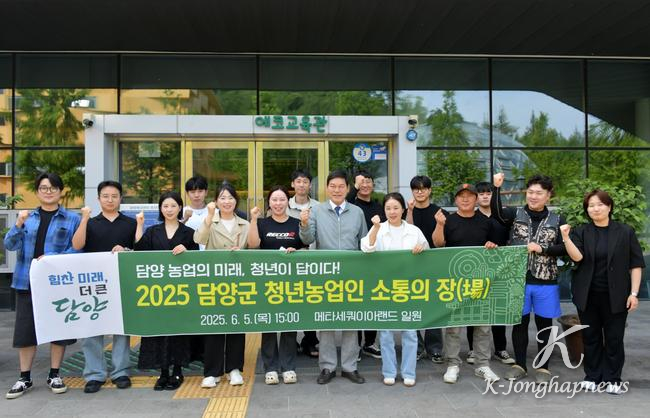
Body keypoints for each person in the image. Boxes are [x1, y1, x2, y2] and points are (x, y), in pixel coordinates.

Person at [4, 172, 80, 399]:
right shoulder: (27, 217)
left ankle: (54, 374)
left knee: (59, 329)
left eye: (53, 188)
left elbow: (77, 249)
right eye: (44, 188)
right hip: (26, 282)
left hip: (57, 284)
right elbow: (9, 244)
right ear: (37, 191)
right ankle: (24, 377)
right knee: (26, 331)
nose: (49, 192)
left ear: (60, 191)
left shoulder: (72, 219)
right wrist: (18, 224)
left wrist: (53, 259)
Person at [562, 189, 644, 395]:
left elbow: (636, 264)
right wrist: (566, 238)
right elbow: (577, 257)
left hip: (617, 295)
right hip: (588, 295)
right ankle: (592, 376)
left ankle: (613, 378)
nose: (595, 209)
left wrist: (634, 294)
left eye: (600, 204)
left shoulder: (625, 232)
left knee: (614, 338)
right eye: (591, 206)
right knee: (590, 337)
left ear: (609, 207)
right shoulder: (581, 231)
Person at [491, 173, 567, 384]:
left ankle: (543, 367)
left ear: (548, 196)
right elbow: (497, 213)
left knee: (545, 324)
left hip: (546, 280)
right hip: (518, 278)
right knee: (519, 324)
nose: (533, 196)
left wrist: (543, 249)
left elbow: (565, 248)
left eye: (539, 193)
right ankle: (520, 365)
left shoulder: (558, 220)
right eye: (530, 192)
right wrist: (496, 187)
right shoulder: (515, 213)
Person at [300, 170, 368, 384]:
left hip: (351, 274)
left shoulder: (357, 212)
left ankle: (349, 366)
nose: (337, 190)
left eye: (341, 186)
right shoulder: (316, 211)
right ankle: (327, 367)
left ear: (347, 189)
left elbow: (364, 242)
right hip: (326, 273)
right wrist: (303, 224)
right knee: (327, 320)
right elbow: (308, 239)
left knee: (351, 321)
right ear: (327, 188)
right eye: (333, 186)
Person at [72, 180, 136, 394]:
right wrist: (84, 219)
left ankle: (121, 372)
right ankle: (94, 374)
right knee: (92, 328)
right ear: (98, 199)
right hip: (93, 283)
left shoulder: (130, 223)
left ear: (120, 199)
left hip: (121, 281)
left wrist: (125, 250)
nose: (110, 200)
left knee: (121, 328)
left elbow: (139, 250)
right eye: (105, 196)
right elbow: (77, 245)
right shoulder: (90, 222)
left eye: (114, 196)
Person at [433, 184, 500, 384]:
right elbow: (438, 244)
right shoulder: (448, 220)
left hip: (481, 281)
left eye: (469, 196)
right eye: (461, 196)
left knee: (483, 325)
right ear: (455, 200)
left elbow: (496, 248)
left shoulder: (486, 222)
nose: (465, 199)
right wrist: (439, 225)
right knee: (454, 326)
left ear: (476, 199)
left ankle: (483, 365)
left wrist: (492, 245)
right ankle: (453, 364)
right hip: (455, 281)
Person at [361, 192, 429, 387]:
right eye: (388, 208)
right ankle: (389, 371)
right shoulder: (379, 228)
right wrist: (375, 228)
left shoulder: (414, 230)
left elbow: (426, 250)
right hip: (385, 287)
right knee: (386, 332)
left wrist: (421, 249)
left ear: (403, 209)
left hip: (408, 286)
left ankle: (409, 372)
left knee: (410, 331)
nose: (392, 212)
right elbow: (367, 248)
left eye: (396, 208)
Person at [134, 191, 199, 391]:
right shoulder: (152, 231)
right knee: (160, 330)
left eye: (173, 206)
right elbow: (139, 252)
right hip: (158, 290)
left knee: (178, 330)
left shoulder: (188, 232)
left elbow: (197, 260)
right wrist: (139, 225)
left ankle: (177, 371)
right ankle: (163, 372)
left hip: (181, 291)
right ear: (160, 209)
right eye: (165, 206)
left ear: (180, 208)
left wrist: (187, 252)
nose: (169, 210)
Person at [248, 185, 307, 385]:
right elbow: (253, 244)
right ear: (269, 202)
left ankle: (289, 367)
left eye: (282, 199)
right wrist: (253, 220)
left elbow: (306, 248)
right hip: (268, 283)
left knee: (289, 324)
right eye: (274, 200)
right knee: (269, 324)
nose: (278, 203)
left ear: (287, 202)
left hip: (291, 282)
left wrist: (297, 252)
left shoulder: (296, 223)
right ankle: (270, 368)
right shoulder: (262, 223)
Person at [194, 182, 250, 387]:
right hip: (215, 281)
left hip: (237, 281)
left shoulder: (244, 224)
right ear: (216, 201)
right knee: (214, 324)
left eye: (230, 198)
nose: (227, 202)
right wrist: (209, 217)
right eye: (222, 198)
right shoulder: (210, 220)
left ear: (236, 201)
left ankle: (234, 369)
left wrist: (241, 253)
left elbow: (253, 248)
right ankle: (212, 371)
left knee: (236, 324)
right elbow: (199, 239)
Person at [465, 181, 515, 366]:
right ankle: (473, 349)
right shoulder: (472, 217)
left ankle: (500, 348)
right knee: (475, 310)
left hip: (500, 270)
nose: (485, 196)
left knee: (498, 309)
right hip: (478, 270)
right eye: (481, 193)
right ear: (476, 197)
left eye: (489, 193)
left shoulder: (503, 216)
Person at [405, 175, 445, 364]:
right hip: (411, 266)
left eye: (423, 188)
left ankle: (435, 348)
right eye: (416, 189)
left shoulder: (439, 212)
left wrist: (440, 223)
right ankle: (417, 347)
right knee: (411, 306)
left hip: (434, 266)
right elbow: (407, 233)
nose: (420, 192)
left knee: (433, 307)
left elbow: (441, 242)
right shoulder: (407, 210)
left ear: (429, 190)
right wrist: (409, 211)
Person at [346, 170, 385, 359]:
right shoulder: (351, 205)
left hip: (375, 259)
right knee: (356, 302)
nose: (365, 185)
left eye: (368, 181)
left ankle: (369, 343)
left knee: (373, 301)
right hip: (356, 259)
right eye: (361, 182)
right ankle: (355, 345)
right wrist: (354, 188)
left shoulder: (379, 206)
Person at [286, 169, 320, 358]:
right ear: (293, 184)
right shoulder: (284, 205)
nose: (301, 184)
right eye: (298, 181)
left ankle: (310, 340)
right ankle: (291, 341)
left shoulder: (318, 207)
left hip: (312, 259)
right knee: (291, 300)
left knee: (311, 300)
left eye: (305, 181)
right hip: (289, 261)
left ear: (310, 185)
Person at [182, 175, 209, 249]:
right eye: (192, 192)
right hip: (188, 253)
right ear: (187, 193)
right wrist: (184, 220)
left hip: (210, 253)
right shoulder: (181, 212)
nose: (196, 195)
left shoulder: (214, 212)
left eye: (200, 191)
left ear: (206, 192)